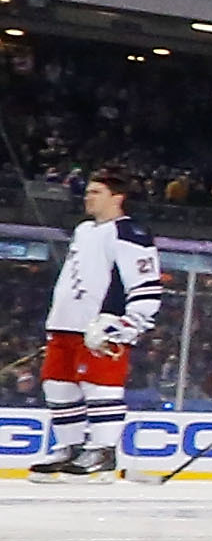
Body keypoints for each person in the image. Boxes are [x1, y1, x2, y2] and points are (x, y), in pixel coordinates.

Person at [32, 164, 161, 480]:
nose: (87, 198)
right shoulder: (84, 230)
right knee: (57, 386)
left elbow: (145, 284)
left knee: (100, 387)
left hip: (100, 327)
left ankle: (103, 450)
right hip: (65, 324)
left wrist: (127, 324)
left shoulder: (130, 233)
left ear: (117, 197)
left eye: (95, 192)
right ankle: (70, 446)